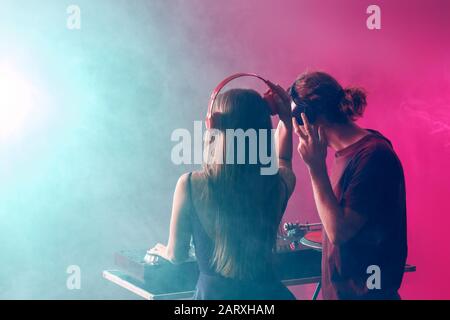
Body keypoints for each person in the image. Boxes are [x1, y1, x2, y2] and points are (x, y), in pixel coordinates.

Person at [150, 87, 296, 299]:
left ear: (214, 125)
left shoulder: (190, 184)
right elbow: (284, 161)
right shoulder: (280, 183)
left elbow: (177, 255)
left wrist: (162, 251)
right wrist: (286, 122)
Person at [290, 71, 407, 300]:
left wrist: (315, 167)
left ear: (310, 117)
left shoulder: (373, 156)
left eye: (297, 118)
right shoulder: (348, 153)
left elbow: (339, 231)